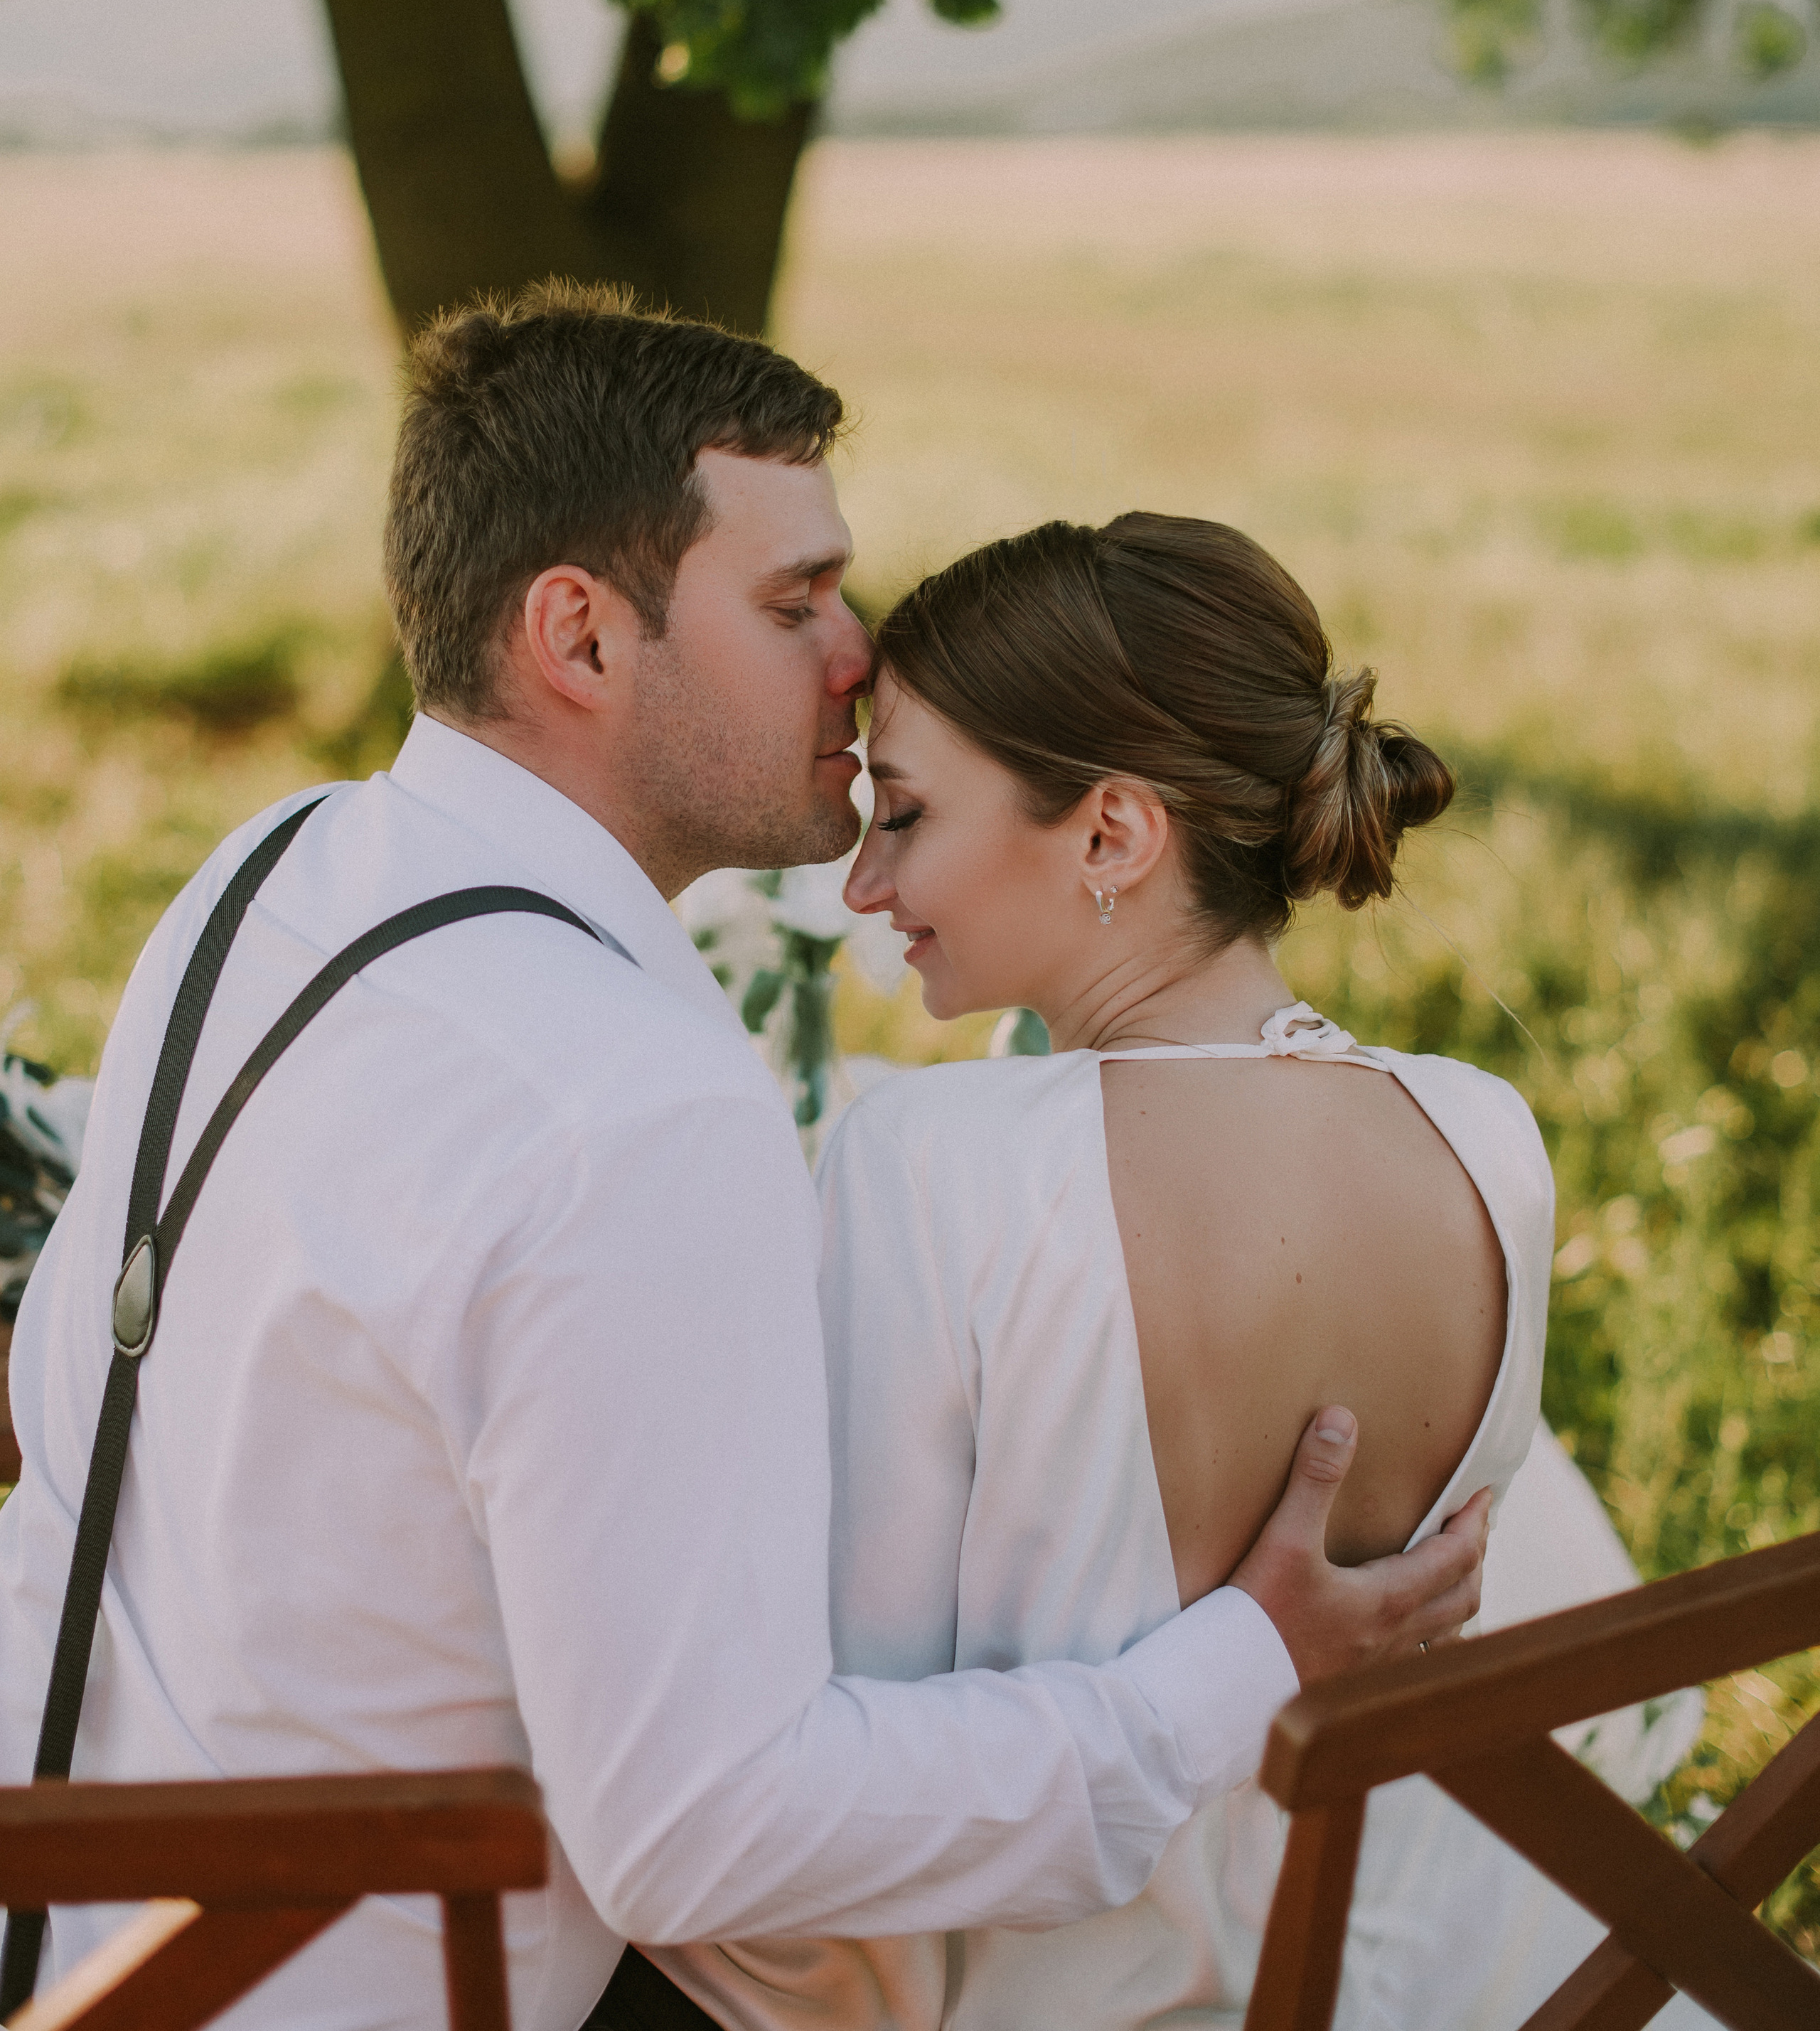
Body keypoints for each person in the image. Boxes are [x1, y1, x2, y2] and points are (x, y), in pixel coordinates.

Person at [0, 296, 1487, 2031]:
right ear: (581, 636)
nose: (858, 656)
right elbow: (707, 1839)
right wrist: (1242, 1668)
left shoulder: (277, 865)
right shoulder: (639, 1114)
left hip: (66, 1927)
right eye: (794, 604)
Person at [652, 513, 1553, 2031]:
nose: (862, 888)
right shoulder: (1485, 1139)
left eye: (908, 815)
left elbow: (844, 1790)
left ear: (1113, 837)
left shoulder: (935, 1164)